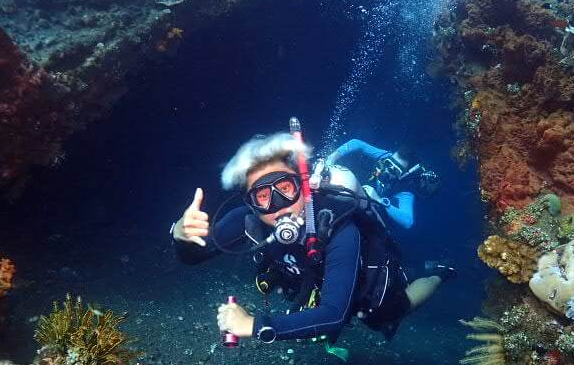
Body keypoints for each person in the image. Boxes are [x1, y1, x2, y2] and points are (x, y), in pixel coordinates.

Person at [171, 132, 455, 347]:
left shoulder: (337, 226)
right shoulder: (246, 221)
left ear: (304, 186)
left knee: (385, 314)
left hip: (365, 279)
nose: (279, 205)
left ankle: (440, 274)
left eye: (285, 188)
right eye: (263, 195)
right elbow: (192, 257)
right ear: (251, 203)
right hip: (312, 278)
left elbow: (334, 314)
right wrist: (181, 235)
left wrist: (254, 325)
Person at [322, 139, 439, 230]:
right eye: (388, 164)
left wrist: (380, 200)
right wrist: (332, 158)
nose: (387, 170)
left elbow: (408, 221)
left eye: (395, 170)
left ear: (402, 175)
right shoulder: (385, 156)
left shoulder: (404, 189)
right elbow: (357, 143)